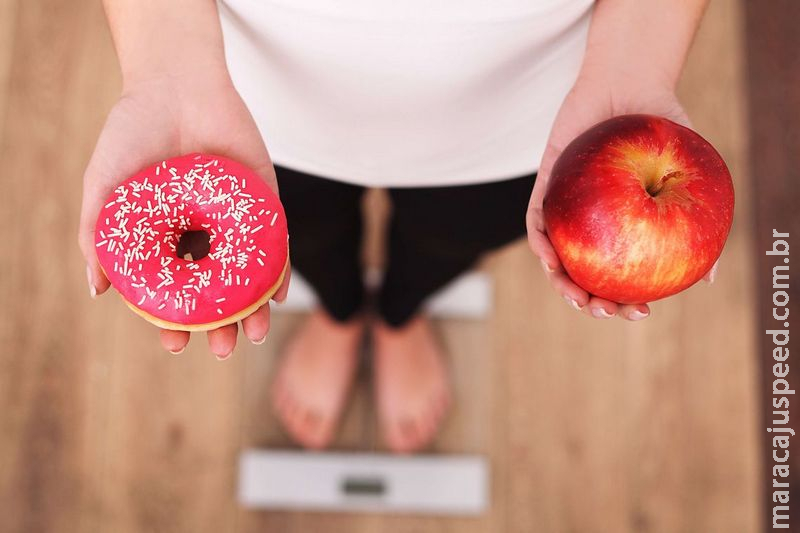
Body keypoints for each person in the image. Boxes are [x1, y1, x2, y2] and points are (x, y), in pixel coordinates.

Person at [79, 0, 713, 453]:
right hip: (240, 103)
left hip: (535, 113)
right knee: (306, 236)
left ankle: (400, 313)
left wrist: (636, 63)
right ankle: (340, 308)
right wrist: (163, 64)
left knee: (449, 239)